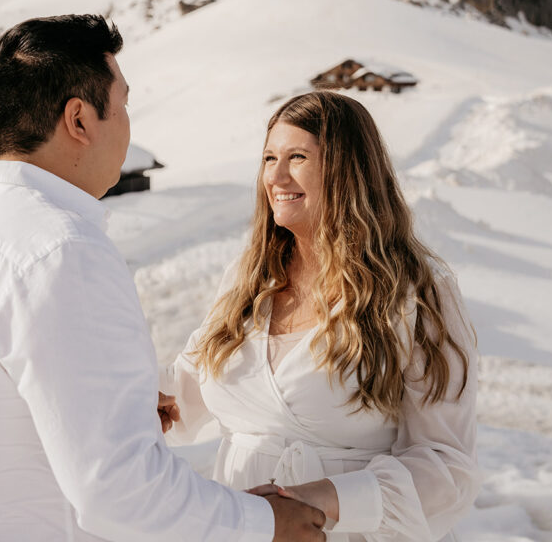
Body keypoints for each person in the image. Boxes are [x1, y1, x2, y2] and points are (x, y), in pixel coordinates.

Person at [0, 15, 325, 542]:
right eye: (123, 105)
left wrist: (101, 398)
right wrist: (264, 523)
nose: (128, 124)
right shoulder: (63, 253)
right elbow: (122, 492)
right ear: (79, 120)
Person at [161, 91, 482, 541]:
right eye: (269, 157)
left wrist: (325, 498)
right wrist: (145, 402)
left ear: (348, 169)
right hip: (244, 526)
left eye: (297, 156)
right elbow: (185, 390)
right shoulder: (248, 277)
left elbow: (447, 467)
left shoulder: (414, 291)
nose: (276, 175)